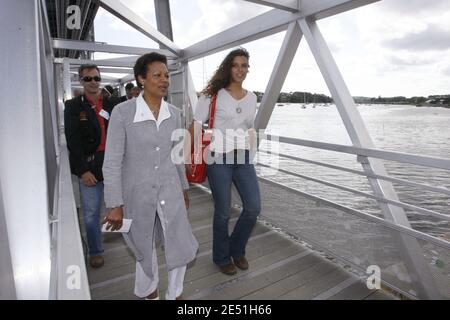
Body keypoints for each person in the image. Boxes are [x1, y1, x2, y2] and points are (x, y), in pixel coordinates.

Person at [102, 52, 198, 300]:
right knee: (144, 244)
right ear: (141, 79)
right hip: (137, 192)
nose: (164, 79)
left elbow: (177, 157)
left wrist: (184, 188)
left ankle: (175, 293)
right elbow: (112, 161)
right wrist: (114, 203)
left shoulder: (174, 113)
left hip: (170, 189)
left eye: (166, 75)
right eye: (157, 75)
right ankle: (148, 291)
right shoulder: (122, 113)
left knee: (178, 240)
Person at [187, 48, 261, 275]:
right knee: (223, 211)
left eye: (244, 66)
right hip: (218, 158)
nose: (240, 70)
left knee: (253, 208)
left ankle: (236, 250)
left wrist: (252, 151)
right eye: (236, 65)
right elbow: (196, 125)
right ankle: (221, 257)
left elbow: (248, 127)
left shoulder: (252, 98)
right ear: (228, 67)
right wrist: (191, 156)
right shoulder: (212, 95)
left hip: (243, 157)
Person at [64, 64, 121, 268]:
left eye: (96, 78)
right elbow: (73, 141)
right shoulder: (73, 106)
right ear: (81, 81)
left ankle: (119, 233)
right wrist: (83, 170)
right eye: (88, 79)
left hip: (114, 164)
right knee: (91, 213)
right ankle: (96, 251)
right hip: (91, 166)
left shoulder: (112, 104)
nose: (93, 82)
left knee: (119, 205)